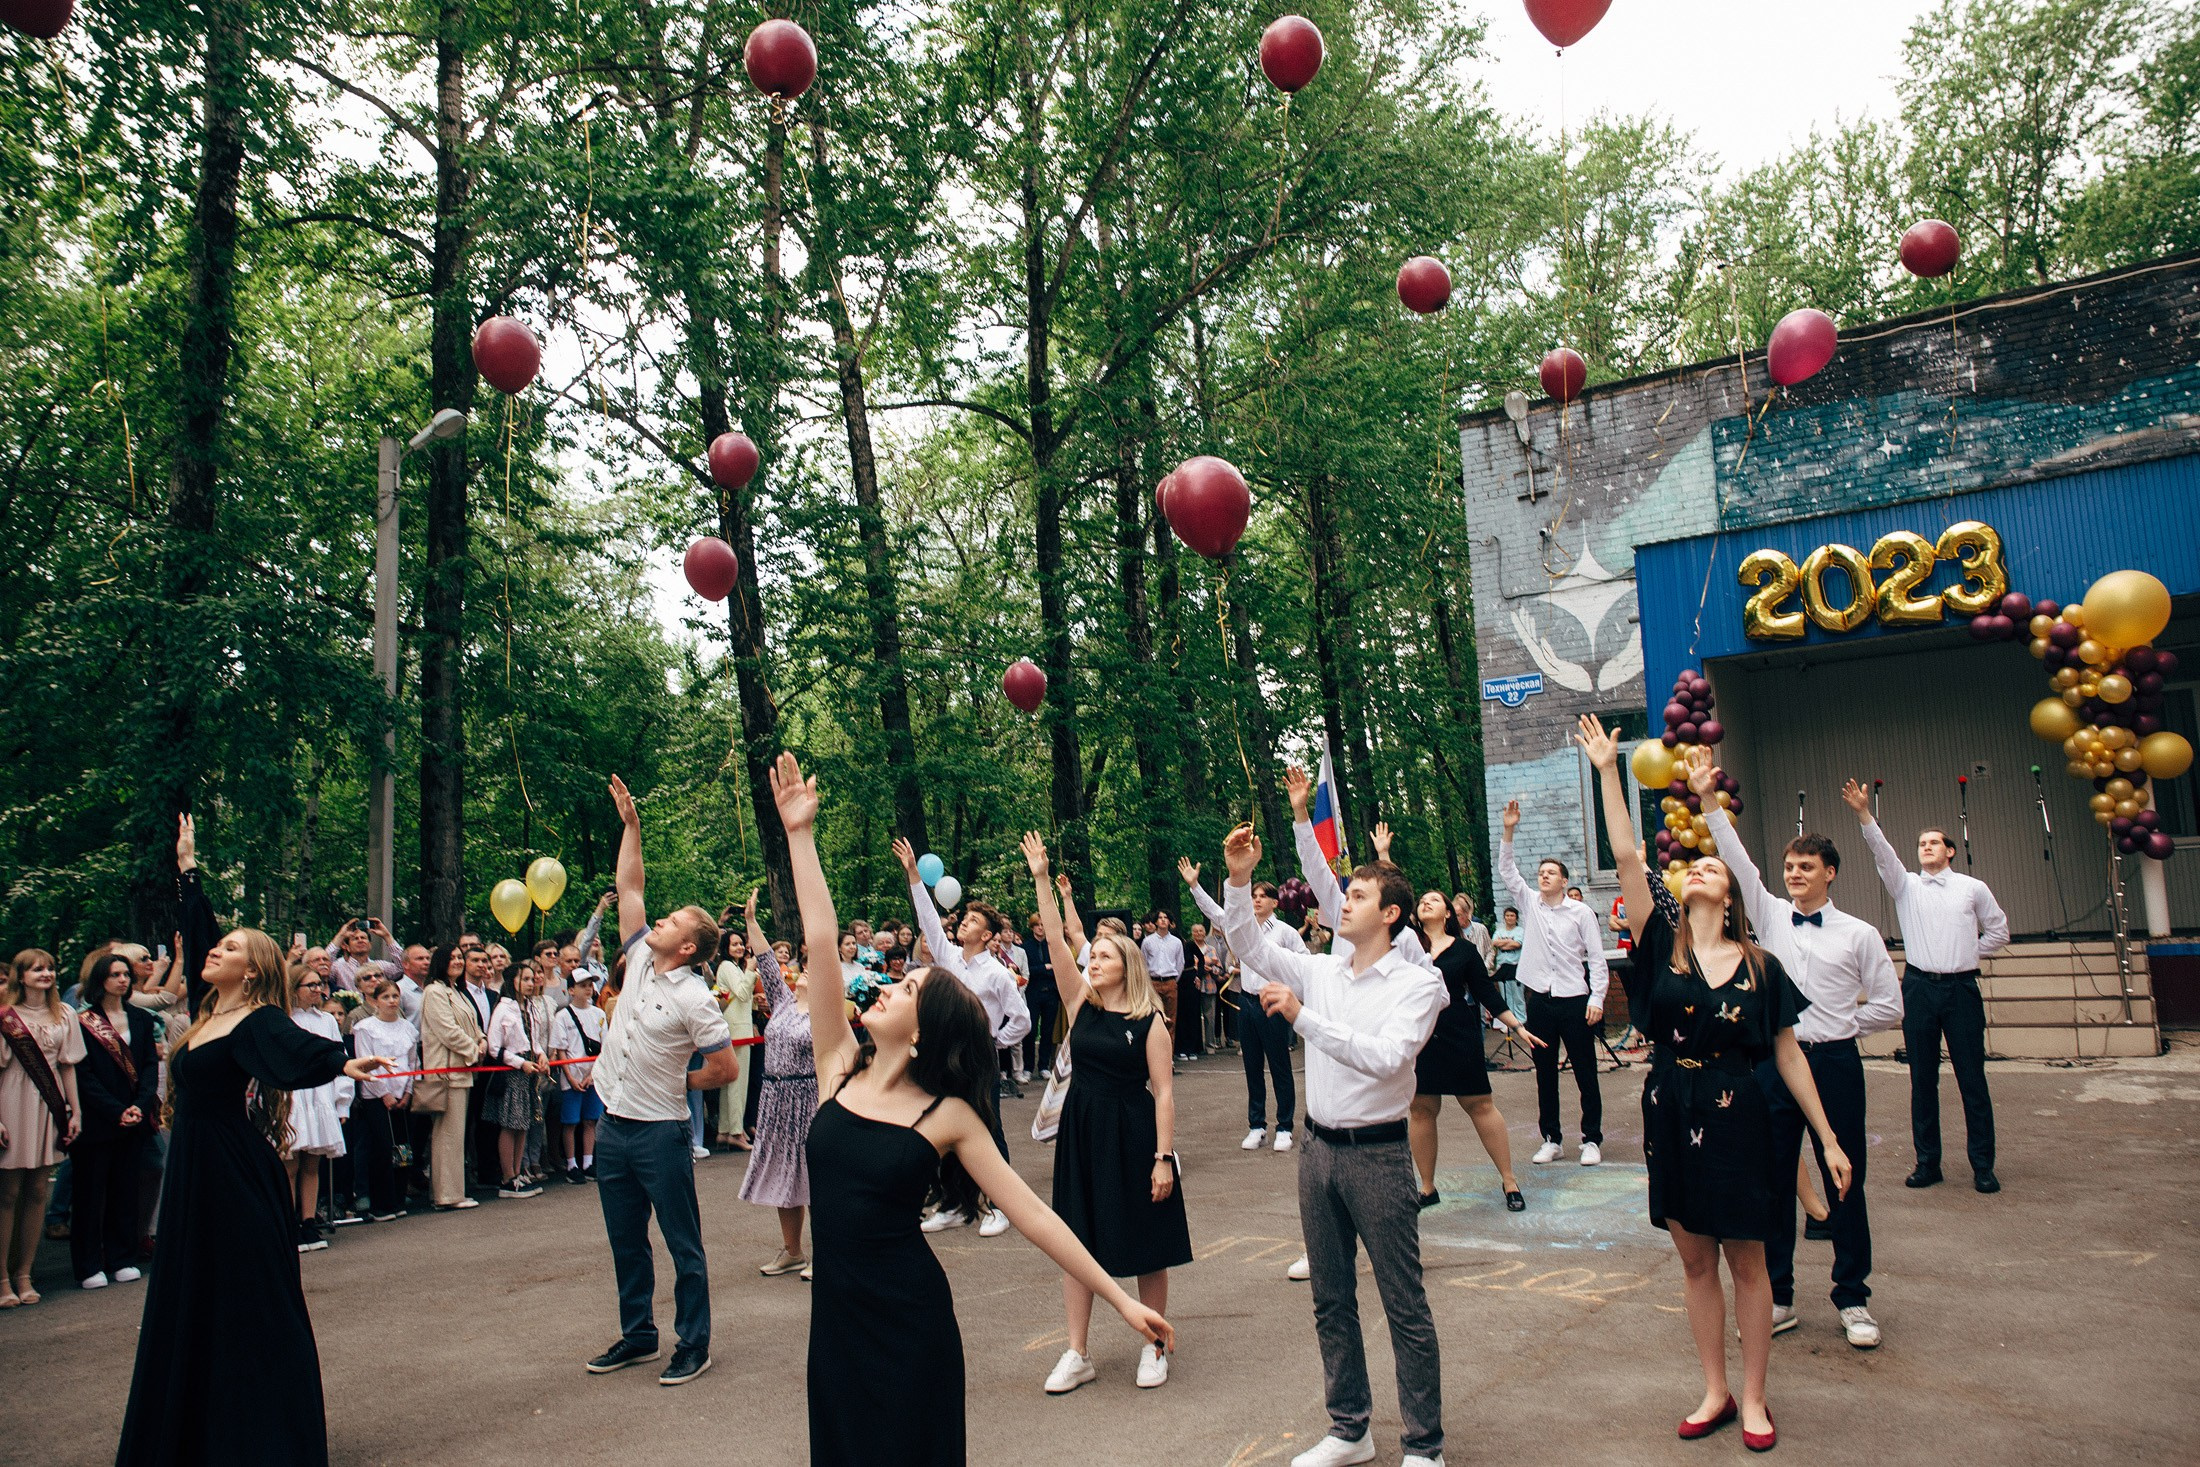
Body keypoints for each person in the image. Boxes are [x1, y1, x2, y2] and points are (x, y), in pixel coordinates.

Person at [764, 755, 1169, 1467]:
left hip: (910, 1320)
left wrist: (1120, 1300)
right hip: (834, 1324)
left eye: (908, 987)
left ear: (924, 1031)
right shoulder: (836, 1066)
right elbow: (822, 941)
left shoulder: (945, 1115)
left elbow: (1038, 1215)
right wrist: (800, 835)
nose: (887, 986)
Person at [1579, 716, 1851, 1452]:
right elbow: (1630, 856)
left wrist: (1826, 1137)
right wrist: (1610, 770)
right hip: (1671, 1106)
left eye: (1712, 867)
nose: (1698, 867)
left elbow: (1789, 1056)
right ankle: (1715, 1389)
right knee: (1696, 1260)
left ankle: (1756, 1396)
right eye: (1693, 866)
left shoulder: (1763, 965)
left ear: (1729, 894)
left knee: (1749, 1260)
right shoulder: (1657, 947)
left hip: (1741, 1115)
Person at [117, 813, 395, 1467]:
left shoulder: (254, 1018)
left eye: (232, 948)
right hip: (196, 1173)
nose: (214, 950)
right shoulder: (212, 1011)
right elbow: (198, 932)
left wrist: (339, 1062)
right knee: (192, 1296)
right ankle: (191, 1428)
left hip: (232, 1174)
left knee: (247, 1299)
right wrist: (188, 869)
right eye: (219, 944)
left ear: (252, 969)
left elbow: (289, 1045)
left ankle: (265, 1433)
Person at [1215, 822, 1448, 1467]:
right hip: (1317, 1153)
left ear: (1390, 914)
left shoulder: (1417, 986)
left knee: (1404, 1303)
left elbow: (1388, 1057)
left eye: (1358, 895)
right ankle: (1351, 1430)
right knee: (1330, 1299)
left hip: (1378, 1154)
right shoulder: (1320, 970)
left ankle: (1424, 1447)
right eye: (1344, 894)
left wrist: (1300, 1017)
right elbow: (1247, 944)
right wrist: (1238, 878)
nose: (1342, 901)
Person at [1696, 754, 1901, 1348]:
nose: (1794, 875)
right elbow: (1737, 860)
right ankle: (1779, 1294)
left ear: (1830, 873)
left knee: (1843, 1179)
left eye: (1806, 867)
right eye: (1789, 866)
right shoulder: (1768, 915)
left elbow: (1891, 1005)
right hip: (1771, 1068)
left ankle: (1853, 1296)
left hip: (1834, 1062)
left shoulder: (1859, 934)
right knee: (1773, 1178)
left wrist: (1842, 1026)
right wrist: (1710, 801)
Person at [1022, 833, 1192, 1394]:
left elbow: (1163, 1094)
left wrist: (1163, 1158)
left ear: (1127, 965)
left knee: (1147, 1240)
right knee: (1077, 1239)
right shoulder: (1080, 1003)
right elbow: (1052, 942)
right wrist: (1042, 879)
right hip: (1082, 1131)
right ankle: (1077, 1353)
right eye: (1090, 954)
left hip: (1135, 1134)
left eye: (1102, 955)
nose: (1092, 960)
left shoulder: (1150, 1022)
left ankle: (1155, 1344)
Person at [585, 774, 738, 1388]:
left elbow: (724, 1068)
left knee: (683, 1245)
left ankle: (693, 1344)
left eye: (671, 920)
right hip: (612, 1125)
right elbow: (630, 884)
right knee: (626, 1241)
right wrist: (631, 827)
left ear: (689, 945)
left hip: (661, 1134)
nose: (659, 919)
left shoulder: (697, 998)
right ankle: (639, 1335)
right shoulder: (643, 955)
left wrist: (680, 1082)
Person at [1840, 779, 2010, 1194]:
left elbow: (1999, 932)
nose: (1927, 847)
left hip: (1962, 990)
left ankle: (1983, 1166)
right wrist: (1864, 814)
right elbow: (1883, 854)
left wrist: (1967, 953)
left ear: (1950, 851)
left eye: (1935, 842)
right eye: (1922, 843)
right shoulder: (1906, 886)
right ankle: (1927, 1162)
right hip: (1918, 988)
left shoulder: (1973, 888)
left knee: (1972, 1079)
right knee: (1922, 1079)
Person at [894, 837, 1031, 1237]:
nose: (964, 923)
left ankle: (998, 1206)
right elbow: (929, 922)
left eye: (973, 922)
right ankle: (954, 1202)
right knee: (942, 1127)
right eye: (965, 919)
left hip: (978, 1057)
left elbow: (1020, 1018)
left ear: (988, 936)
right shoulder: (949, 956)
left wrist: (995, 1042)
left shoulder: (997, 974)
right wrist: (914, 876)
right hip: (942, 1054)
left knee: (988, 1127)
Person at [1404, 891, 1537, 1213]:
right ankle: (1427, 1187)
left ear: (1448, 913)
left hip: (1458, 1032)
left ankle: (1509, 1181)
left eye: (1434, 900)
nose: (1426, 903)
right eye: (1423, 901)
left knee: (1479, 1104)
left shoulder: (1464, 950)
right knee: (1421, 1110)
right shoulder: (1407, 948)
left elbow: (1485, 993)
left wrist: (1517, 1026)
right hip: (1418, 1035)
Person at [1498, 799, 1610, 1165]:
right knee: (1544, 1072)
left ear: (1564, 881)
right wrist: (1509, 830)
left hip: (1575, 999)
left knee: (1584, 1071)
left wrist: (1597, 998)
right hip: (1540, 1000)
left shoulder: (1580, 913)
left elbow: (1596, 959)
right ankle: (1552, 1138)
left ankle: (1591, 1139)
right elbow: (1507, 870)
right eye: (1541, 871)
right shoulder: (1530, 904)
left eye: (1551, 873)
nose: (1543, 875)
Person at [1185, 859, 1307, 1154]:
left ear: (1275, 903)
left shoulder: (1286, 933)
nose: (1255, 900)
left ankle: (1285, 1126)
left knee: (1279, 1065)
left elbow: (1304, 964)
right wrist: (1194, 885)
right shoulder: (1242, 926)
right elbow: (1214, 912)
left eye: (1261, 896)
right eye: (1252, 896)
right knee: (1251, 1066)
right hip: (1247, 1001)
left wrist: (1292, 994)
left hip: (1274, 1002)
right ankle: (1257, 1126)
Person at [69, 951, 158, 1289]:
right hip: (97, 1119)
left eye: (125, 974)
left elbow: (150, 1064)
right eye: (115, 974)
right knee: (91, 1193)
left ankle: (123, 1257)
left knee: (126, 1189)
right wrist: (114, 1109)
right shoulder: (82, 1021)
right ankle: (89, 1263)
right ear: (100, 980)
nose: (122, 979)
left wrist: (139, 1103)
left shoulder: (141, 1018)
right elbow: (83, 1074)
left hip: (133, 1116)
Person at [739, 891, 817, 1277]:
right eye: (805, 966)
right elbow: (768, 963)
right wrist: (752, 921)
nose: (804, 970)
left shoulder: (826, 1015)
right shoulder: (784, 1002)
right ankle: (793, 1250)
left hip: (809, 1097)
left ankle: (831, 1255)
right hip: (775, 1097)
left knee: (817, 1176)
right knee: (785, 1174)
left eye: (814, 969)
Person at [3, 949, 84, 1308]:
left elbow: (68, 1066)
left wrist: (75, 1111)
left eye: (50, 967)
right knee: (7, 1192)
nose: (46, 973)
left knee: (38, 1188)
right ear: (21, 976)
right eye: (37, 969)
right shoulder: (5, 1016)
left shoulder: (64, 1013)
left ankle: (25, 1273)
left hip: (49, 1105)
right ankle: (2, 1279)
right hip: (10, 1101)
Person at [284, 970, 350, 1252]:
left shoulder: (325, 1021)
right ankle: (288, 1224)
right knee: (290, 1163)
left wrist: (342, 1101)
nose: (317, 990)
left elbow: (339, 1060)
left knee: (312, 1162)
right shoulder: (284, 1019)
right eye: (310, 985)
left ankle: (308, 1221)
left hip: (319, 1094)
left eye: (319, 984)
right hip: (293, 1095)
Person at [415, 945, 484, 1211]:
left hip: (462, 1071)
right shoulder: (434, 992)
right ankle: (446, 1194)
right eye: (452, 958)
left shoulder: (456, 991)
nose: (457, 961)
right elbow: (447, 1030)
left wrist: (483, 1040)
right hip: (447, 1071)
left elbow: (472, 1025)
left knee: (456, 1135)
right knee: (447, 1135)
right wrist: (472, 1050)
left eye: (459, 958)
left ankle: (453, 1191)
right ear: (440, 962)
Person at [347, 978, 416, 1221]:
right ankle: (381, 1203)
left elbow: (412, 1061)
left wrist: (407, 1092)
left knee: (403, 1149)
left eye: (395, 996)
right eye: (385, 997)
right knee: (382, 1148)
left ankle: (398, 1197)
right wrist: (384, 1093)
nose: (391, 1001)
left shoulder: (407, 1028)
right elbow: (367, 1063)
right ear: (376, 1001)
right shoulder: (366, 1028)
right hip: (377, 1096)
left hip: (402, 1095)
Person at [484, 965, 550, 1199]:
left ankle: (519, 1171)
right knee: (510, 1123)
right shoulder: (503, 1008)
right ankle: (507, 1177)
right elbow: (494, 1046)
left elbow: (534, 1039)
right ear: (514, 981)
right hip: (512, 1070)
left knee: (524, 1123)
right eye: (526, 979)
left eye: (533, 979)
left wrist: (541, 1054)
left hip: (529, 1069)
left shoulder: (530, 1007)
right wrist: (518, 1062)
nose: (531, 983)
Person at [552, 971, 605, 1182]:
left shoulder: (599, 1014)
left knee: (591, 1120)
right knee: (571, 1122)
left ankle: (588, 1161)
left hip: (592, 1075)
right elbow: (561, 1049)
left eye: (590, 985)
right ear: (571, 990)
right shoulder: (563, 1016)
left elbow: (603, 1046)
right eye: (582, 985)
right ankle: (571, 1164)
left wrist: (592, 1075)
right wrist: (570, 1077)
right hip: (572, 1075)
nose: (588, 989)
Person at [714, 925, 757, 1151]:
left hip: (740, 1027)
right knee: (737, 1084)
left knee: (732, 1083)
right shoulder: (728, 967)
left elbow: (743, 997)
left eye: (741, 943)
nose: (739, 947)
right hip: (736, 1030)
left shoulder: (733, 968)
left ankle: (725, 1130)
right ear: (726, 947)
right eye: (734, 944)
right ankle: (736, 1132)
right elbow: (741, 993)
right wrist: (751, 971)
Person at [1139, 909, 1186, 1058]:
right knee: (1152, 1018)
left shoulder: (1176, 942)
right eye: (1160, 918)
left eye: (1166, 917)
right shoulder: (1148, 941)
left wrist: (1173, 981)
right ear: (1155, 921)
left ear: (1170, 921)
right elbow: (1143, 963)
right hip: (1153, 982)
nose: (1163, 920)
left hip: (1170, 982)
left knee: (1170, 1020)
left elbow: (1180, 964)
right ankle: (1152, 1056)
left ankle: (1168, 1058)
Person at [1023, 913, 1061, 1077]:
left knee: (1047, 1030)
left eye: (1043, 924)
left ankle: (1044, 1065)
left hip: (1051, 993)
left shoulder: (1052, 946)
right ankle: (1028, 1067)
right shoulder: (1026, 947)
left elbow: (1058, 968)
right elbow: (1026, 971)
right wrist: (1044, 968)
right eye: (1037, 924)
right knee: (1030, 1031)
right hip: (1033, 993)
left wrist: (1048, 970)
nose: (1041, 927)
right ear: (1032, 927)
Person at [1492, 907, 1524, 1019]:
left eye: (1512, 916)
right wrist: (1509, 941)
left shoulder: (1520, 931)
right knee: (1506, 995)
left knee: (1518, 995)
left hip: (1516, 966)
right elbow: (1494, 942)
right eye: (1507, 915)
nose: (1509, 918)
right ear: (1504, 917)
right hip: (1502, 965)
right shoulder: (1499, 931)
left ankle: (1521, 1019)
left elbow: (1517, 944)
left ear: (1516, 918)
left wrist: (1503, 943)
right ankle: (1510, 1021)